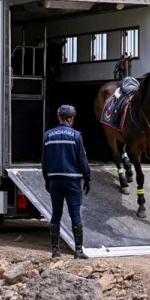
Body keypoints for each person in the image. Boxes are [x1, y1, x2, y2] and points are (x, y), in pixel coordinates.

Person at [42, 104, 91, 259]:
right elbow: (82, 159)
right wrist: (87, 177)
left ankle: (55, 252)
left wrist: (47, 179)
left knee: (56, 214)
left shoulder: (48, 135)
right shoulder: (76, 136)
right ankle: (78, 251)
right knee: (75, 214)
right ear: (71, 118)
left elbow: (44, 161)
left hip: (55, 180)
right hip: (72, 181)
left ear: (59, 117)